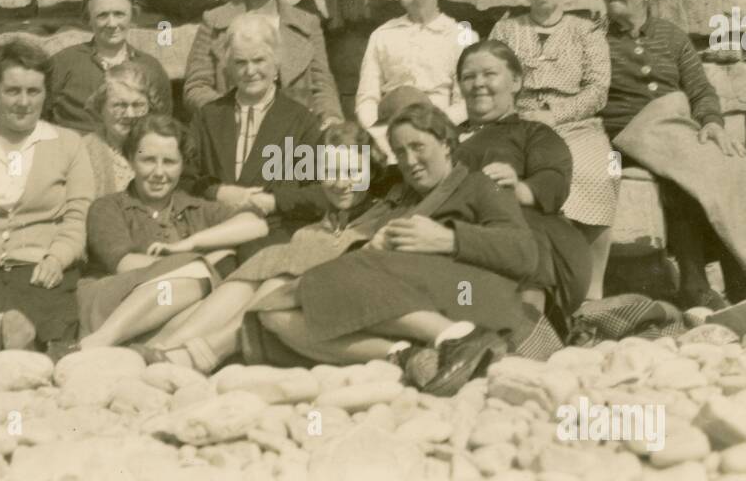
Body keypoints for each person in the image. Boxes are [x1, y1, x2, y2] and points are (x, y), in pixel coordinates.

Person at [262, 103, 558, 397]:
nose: (410, 160)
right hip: (410, 296)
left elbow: (525, 253)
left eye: (418, 146)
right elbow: (347, 183)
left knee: (337, 277)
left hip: (469, 294)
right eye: (400, 153)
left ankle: (460, 337)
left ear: (445, 144)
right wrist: (374, 245)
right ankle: (407, 356)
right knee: (272, 313)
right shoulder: (402, 199)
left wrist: (449, 239)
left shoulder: (480, 185)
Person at [130, 121, 390, 374]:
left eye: (353, 172)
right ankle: (170, 345)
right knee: (269, 260)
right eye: (330, 172)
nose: (341, 183)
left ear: (372, 170)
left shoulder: (383, 216)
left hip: (327, 323)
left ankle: (201, 353)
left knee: (282, 275)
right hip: (286, 314)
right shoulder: (326, 218)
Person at [600, 0, 746, 310]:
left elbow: (699, 90)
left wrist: (711, 123)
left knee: (732, 163)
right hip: (625, 135)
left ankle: (745, 274)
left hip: (674, 129)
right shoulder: (595, 39)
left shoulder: (671, 36)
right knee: (683, 174)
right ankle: (694, 283)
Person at [0, 39, 95, 358]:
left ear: (46, 94)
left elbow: (78, 216)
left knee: (41, 302)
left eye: (33, 91)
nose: (23, 102)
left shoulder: (68, 144)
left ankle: (15, 346)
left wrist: (57, 258)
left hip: (43, 267)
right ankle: (2, 343)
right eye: (13, 91)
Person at [489, 0, 616, 299]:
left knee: (597, 171)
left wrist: (556, 114)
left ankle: (592, 292)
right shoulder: (506, 30)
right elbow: (492, 77)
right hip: (519, 122)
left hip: (576, 124)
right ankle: (524, 289)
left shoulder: (587, 31)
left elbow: (597, 90)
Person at [76, 114, 269, 348]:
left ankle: (160, 350)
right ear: (130, 160)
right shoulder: (108, 207)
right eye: (148, 160)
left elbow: (256, 224)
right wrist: (202, 262)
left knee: (229, 296)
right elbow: (125, 265)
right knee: (201, 271)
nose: (159, 172)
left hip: (168, 313)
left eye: (169, 162)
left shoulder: (192, 206)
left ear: (182, 165)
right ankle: (103, 340)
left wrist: (191, 243)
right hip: (113, 305)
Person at [453, 38, 592, 336]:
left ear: (515, 81)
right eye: (468, 76)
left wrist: (516, 188)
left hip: (540, 248)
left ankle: (530, 331)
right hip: (465, 243)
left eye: (489, 74)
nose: (478, 83)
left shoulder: (532, 133)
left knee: (513, 219)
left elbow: (553, 181)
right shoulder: (444, 139)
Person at [183, 12, 329, 258]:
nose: (250, 71)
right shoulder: (208, 117)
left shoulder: (299, 120)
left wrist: (273, 201)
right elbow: (184, 177)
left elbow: (318, 192)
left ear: (276, 62)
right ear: (228, 66)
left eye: (259, 60)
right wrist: (217, 192)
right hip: (213, 235)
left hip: (274, 238)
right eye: (240, 62)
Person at [183, 0, 342, 124]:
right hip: (232, 129)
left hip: (293, 132)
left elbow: (322, 85)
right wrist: (232, 114)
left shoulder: (307, 24)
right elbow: (196, 86)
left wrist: (331, 117)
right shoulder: (214, 21)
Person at [354, 0, 468, 154]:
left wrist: (433, 129)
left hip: (439, 135)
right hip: (386, 136)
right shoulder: (382, 35)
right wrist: (376, 132)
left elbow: (464, 103)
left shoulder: (460, 36)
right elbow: (367, 97)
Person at [46, 0, 173, 133]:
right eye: (102, 15)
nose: (112, 24)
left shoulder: (151, 68)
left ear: (132, 15)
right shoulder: (63, 63)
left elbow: (162, 126)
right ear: (88, 19)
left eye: (119, 14)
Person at [80, 60, 163, 198]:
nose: (130, 114)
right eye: (119, 105)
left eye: (138, 105)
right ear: (101, 107)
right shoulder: (83, 151)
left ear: (150, 108)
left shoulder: (163, 146)